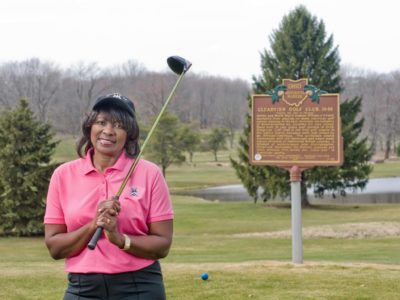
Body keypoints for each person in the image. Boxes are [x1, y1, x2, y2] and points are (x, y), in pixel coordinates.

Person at [44, 93, 173, 300]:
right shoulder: (63, 175)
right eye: (101, 122)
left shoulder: (149, 173)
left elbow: (163, 245)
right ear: (89, 128)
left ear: (129, 134)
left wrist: (120, 239)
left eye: (119, 125)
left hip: (139, 286)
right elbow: (55, 248)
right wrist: (93, 225)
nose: (108, 131)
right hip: (82, 288)